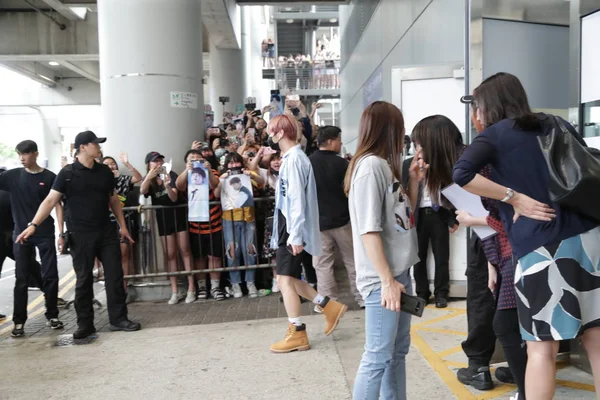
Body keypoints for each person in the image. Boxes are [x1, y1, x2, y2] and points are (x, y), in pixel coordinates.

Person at [453, 72, 600, 399]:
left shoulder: (494, 136)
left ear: (487, 105)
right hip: (589, 239)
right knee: (596, 340)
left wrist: (514, 197)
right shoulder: (556, 123)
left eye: (476, 106)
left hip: (542, 248)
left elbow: (461, 174)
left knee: (541, 350)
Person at [16, 131, 141, 339]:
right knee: (83, 279)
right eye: (95, 144)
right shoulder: (67, 173)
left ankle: (118, 319)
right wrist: (33, 225)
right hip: (80, 234)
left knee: (115, 276)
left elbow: (113, 201)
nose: (99, 148)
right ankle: (85, 325)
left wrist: (123, 226)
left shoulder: (104, 172)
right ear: (83, 147)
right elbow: (50, 201)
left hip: (106, 232)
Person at [344, 101, 422, 399]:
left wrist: (413, 181)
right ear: (388, 129)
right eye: (400, 128)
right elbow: (369, 231)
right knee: (377, 356)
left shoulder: (383, 166)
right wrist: (388, 281)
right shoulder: (371, 168)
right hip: (383, 280)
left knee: (396, 352)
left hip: (398, 274)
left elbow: (402, 220)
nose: (403, 135)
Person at [267, 114, 347, 354]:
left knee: (284, 280)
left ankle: (298, 331)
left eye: (272, 131)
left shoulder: (295, 160)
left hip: (291, 226)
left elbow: (297, 201)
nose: (270, 135)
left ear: (280, 133)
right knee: (286, 278)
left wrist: (295, 234)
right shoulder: (293, 158)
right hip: (289, 225)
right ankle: (328, 306)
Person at [0, 141, 65, 337]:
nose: (22, 158)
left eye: (26, 154)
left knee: (50, 275)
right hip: (20, 235)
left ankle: (52, 315)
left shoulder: (49, 177)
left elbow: (57, 205)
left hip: (44, 234)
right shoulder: (11, 176)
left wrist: (61, 234)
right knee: (21, 279)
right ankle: (19, 322)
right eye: (19, 154)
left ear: (35, 154)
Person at [407, 116, 462, 309]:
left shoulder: (442, 163)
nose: (419, 149)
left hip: (439, 215)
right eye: (416, 145)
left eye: (422, 144)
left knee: (442, 257)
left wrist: (453, 218)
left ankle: (441, 293)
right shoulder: (409, 165)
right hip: (418, 216)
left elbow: (452, 192)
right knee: (418, 257)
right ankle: (422, 293)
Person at [309, 126, 363, 309]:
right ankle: (362, 298)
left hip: (318, 224)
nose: (341, 143)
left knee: (323, 265)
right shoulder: (343, 164)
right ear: (331, 141)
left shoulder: (308, 163)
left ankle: (329, 303)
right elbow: (351, 191)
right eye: (339, 140)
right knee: (353, 261)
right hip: (343, 221)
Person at [140, 151, 196, 305]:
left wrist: (167, 185)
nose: (158, 163)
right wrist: (150, 177)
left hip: (178, 215)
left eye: (160, 160)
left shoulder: (171, 174)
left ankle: (191, 288)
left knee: (184, 250)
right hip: (163, 219)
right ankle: (174, 291)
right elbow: (142, 191)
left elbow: (174, 197)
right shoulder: (150, 181)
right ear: (149, 165)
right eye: (154, 161)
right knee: (170, 254)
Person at [176, 148, 226, 301]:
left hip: (214, 222)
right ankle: (202, 286)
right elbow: (179, 186)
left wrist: (208, 171)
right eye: (191, 159)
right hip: (195, 224)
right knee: (199, 257)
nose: (195, 160)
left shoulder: (211, 171)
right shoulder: (186, 175)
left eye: (198, 158)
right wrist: (187, 171)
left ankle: (215, 287)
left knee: (215, 256)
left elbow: (215, 185)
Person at [216, 152, 264, 299]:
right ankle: (235, 283)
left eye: (236, 162)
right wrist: (220, 181)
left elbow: (262, 182)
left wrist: (252, 175)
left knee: (250, 251)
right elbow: (216, 193)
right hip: (229, 219)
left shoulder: (246, 175)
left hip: (248, 218)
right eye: (230, 163)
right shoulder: (222, 177)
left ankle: (250, 283)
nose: (234, 165)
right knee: (232, 252)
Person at [102, 153, 143, 291]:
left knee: (124, 254)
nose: (110, 166)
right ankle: (113, 287)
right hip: (105, 223)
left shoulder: (122, 180)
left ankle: (123, 289)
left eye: (112, 163)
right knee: (110, 257)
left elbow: (138, 178)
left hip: (122, 222)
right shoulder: (99, 180)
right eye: (106, 164)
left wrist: (127, 164)